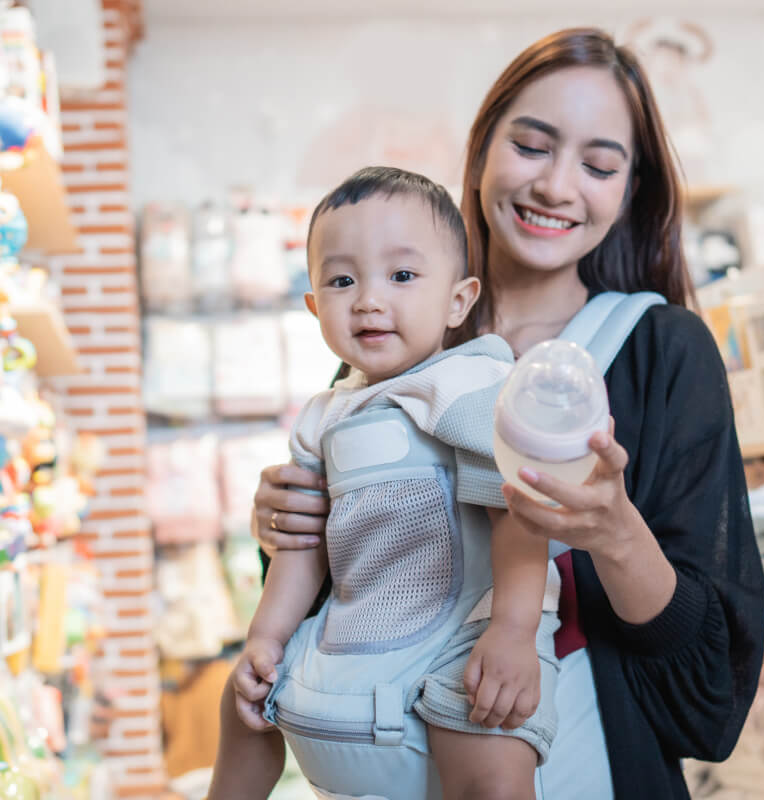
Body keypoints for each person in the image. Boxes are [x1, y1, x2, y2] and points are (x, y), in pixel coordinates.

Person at [211, 26, 764, 800]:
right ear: (482, 151)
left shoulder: (662, 352)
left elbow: (711, 689)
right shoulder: (392, 336)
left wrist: (612, 530)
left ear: (629, 189)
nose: (557, 186)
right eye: (533, 146)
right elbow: (351, 578)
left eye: (599, 164)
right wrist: (285, 522)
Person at [210, 166, 562, 800]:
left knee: (485, 743)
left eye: (401, 276)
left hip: (472, 622)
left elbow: (518, 513)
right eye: (342, 280)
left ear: (459, 300)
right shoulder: (324, 415)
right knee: (240, 704)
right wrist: (264, 640)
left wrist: (513, 631)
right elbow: (302, 546)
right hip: (363, 623)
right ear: (315, 306)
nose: (369, 300)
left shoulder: (469, 384)